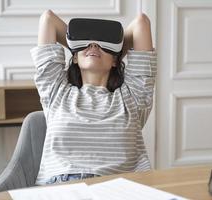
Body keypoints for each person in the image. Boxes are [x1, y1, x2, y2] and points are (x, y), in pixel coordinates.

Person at [30, 10, 157, 185]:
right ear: (74, 57)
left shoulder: (133, 98)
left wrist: (104, 46)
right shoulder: (56, 92)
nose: (94, 46)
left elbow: (141, 23)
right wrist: (87, 45)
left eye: (102, 45)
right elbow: (48, 19)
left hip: (117, 189)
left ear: (115, 61)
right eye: (87, 44)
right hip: (60, 188)